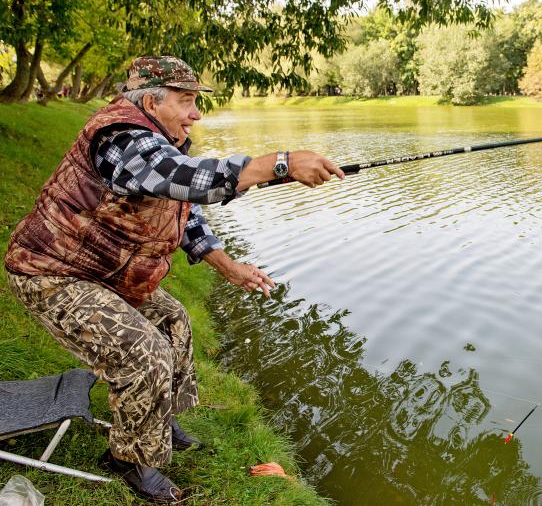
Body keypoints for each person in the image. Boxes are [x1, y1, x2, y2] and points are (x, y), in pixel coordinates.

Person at [4, 56, 344, 503]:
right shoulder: (120, 139)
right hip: (53, 273)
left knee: (175, 320)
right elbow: (180, 177)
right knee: (143, 352)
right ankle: (130, 459)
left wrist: (230, 267)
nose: (195, 114)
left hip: (107, 273)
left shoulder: (163, 141)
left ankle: (156, 420)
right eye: (186, 102)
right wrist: (279, 164)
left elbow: (184, 211)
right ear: (150, 101)